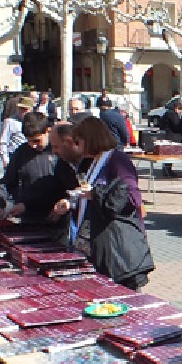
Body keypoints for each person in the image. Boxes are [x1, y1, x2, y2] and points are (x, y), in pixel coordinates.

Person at [58, 117, 153, 289]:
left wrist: (95, 194)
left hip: (119, 249)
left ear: (90, 140)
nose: (77, 147)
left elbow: (131, 197)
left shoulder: (117, 160)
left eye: (79, 142)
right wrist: (73, 202)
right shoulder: (95, 161)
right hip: (104, 247)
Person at [0, 111, 55, 218]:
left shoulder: (57, 152)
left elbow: (57, 188)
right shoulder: (22, 152)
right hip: (26, 216)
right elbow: (8, 181)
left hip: (52, 214)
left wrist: (28, 205)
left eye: (37, 141)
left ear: (48, 131)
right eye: (29, 141)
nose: (33, 146)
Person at [0, 97, 32, 166]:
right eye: (21, 108)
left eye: (25, 109)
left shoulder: (33, 122)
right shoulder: (10, 121)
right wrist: (5, 159)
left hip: (29, 156)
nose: (22, 112)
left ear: (31, 110)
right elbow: (3, 141)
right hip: (14, 155)